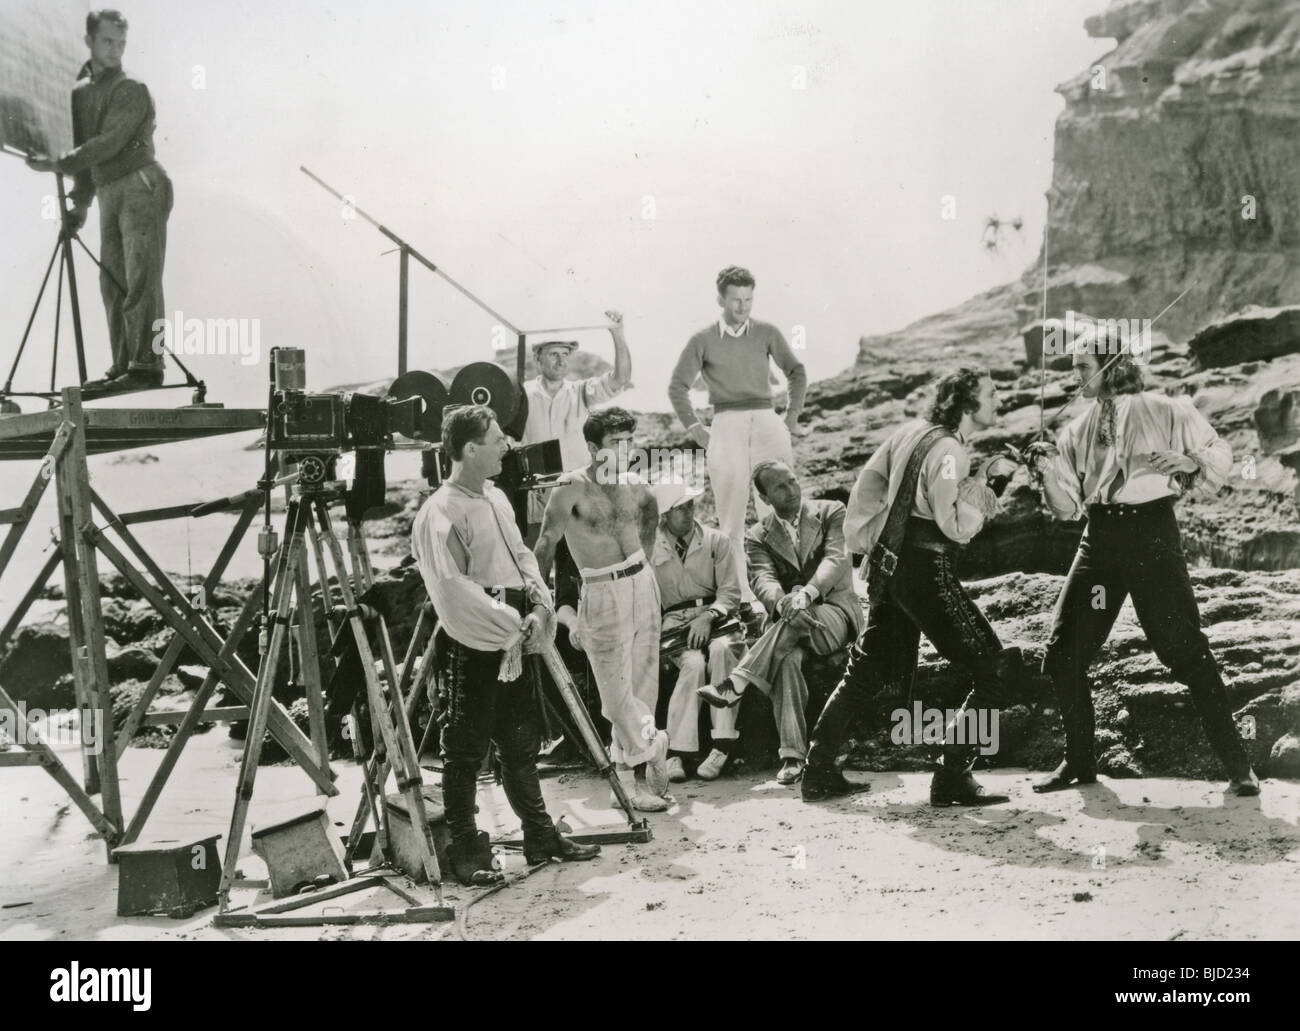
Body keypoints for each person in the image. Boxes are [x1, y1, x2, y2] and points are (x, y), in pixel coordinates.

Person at [1026, 345, 1261, 797]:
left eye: (1082, 367)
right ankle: (1079, 762)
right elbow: (1067, 509)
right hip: (1100, 541)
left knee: (1185, 649)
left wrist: (1192, 463)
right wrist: (1046, 473)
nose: (1072, 376)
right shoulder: (1075, 430)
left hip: (1152, 535)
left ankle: (1239, 766)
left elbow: (1219, 452)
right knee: (1063, 652)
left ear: (1112, 368)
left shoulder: (1168, 409)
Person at [800, 365, 1021, 805]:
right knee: (996, 670)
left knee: (863, 672)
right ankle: (951, 775)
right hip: (925, 569)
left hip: (891, 568)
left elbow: (867, 489)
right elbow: (955, 524)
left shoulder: (912, 431)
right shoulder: (949, 451)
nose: (1001, 400)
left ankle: (818, 772)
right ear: (968, 402)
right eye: (992, 393)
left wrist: (872, 541)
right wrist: (993, 484)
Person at [410, 404, 600, 885]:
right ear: (470, 449)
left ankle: (539, 836)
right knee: (465, 750)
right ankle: (467, 852)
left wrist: (539, 606)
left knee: (520, 746)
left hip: (518, 633)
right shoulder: (441, 512)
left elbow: (522, 558)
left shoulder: (495, 496)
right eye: (496, 439)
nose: (507, 446)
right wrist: (515, 622)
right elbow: (453, 588)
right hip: (475, 643)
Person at [25, 9, 172, 393]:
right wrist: (80, 203)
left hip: (142, 184)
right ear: (89, 40)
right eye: (108, 41)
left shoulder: (130, 88)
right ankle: (125, 365)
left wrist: (59, 163)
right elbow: (89, 153)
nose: (116, 50)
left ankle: (147, 365)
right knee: (113, 280)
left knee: (143, 277)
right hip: (109, 189)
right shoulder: (84, 91)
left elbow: (106, 143)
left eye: (121, 43)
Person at [534, 406, 671, 811]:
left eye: (630, 440)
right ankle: (655, 744)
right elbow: (545, 543)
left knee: (643, 684)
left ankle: (631, 785)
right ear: (593, 447)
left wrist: (644, 561)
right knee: (613, 696)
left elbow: (651, 512)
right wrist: (540, 599)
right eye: (616, 442)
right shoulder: (571, 486)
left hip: (641, 582)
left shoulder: (634, 483)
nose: (626, 449)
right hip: (600, 588)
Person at [697, 461, 862, 786]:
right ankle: (792, 756)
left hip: (835, 614)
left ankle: (739, 681)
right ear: (763, 496)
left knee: (802, 620)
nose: (792, 490)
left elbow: (836, 559)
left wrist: (805, 595)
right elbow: (762, 579)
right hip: (792, 622)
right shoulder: (758, 535)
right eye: (780, 487)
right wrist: (784, 601)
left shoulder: (832, 511)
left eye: (792, 480)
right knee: (785, 659)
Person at [668, 266, 807, 625]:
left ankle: (789, 592)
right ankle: (743, 599)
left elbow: (796, 371)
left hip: (766, 420)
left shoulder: (766, 332)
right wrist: (696, 428)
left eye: (748, 300)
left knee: (779, 509)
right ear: (721, 299)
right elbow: (677, 386)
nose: (743, 307)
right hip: (726, 424)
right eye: (736, 300)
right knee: (730, 519)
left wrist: (789, 420)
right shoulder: (702, 339)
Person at [650, 481, 743, 782]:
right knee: (691, 664)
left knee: (722, 651)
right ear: (664, 514)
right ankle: (677, 750)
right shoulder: (651, 547)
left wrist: (709, 616)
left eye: (690, 505)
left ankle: (722, 743)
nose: (687, 513)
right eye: (679, 508)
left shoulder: (716, 540)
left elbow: (730, 593)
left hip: (716, 616)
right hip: (675, 622)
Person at [522, 311, 631, 527]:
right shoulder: (521, 396)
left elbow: (620, 379)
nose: (561, 360)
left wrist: (617, 334)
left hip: (578, 499)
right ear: (537, 358)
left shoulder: (581, 392)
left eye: (565, 354)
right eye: (554, 354)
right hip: (536, 502)